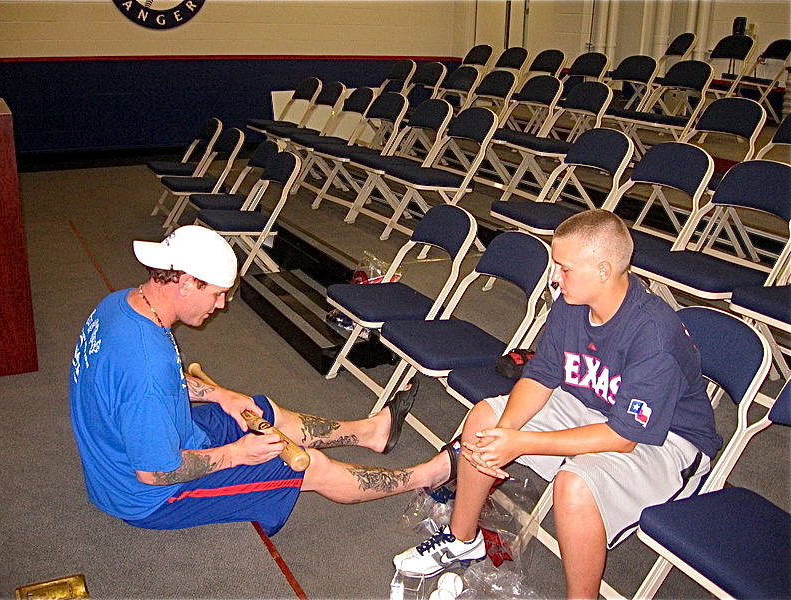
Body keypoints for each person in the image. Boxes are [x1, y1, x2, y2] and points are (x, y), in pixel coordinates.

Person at [393, 210, 723, 599]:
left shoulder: (653, 332)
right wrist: (508, 430)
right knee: (486, 419)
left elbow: (623, 437)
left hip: (666, 438)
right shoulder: (571, 301)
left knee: (575, 485)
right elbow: (543, 375)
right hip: (595, 405)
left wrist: (521, 444)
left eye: (564, 268)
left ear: (603, 271)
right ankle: (462, 539)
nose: (554, 277)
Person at [69, 225, 452, 535]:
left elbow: (159, 384)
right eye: (218, 295)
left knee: (260, 409)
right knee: (307, 466)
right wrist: (237, 454)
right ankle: (426, 474)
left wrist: (220, 395)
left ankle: (370, 433)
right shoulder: (145, 365)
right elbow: (155, 472)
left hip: (150, 440)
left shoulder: (123, 304)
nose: (221, 305)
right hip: (150, 495)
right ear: (185, 281)